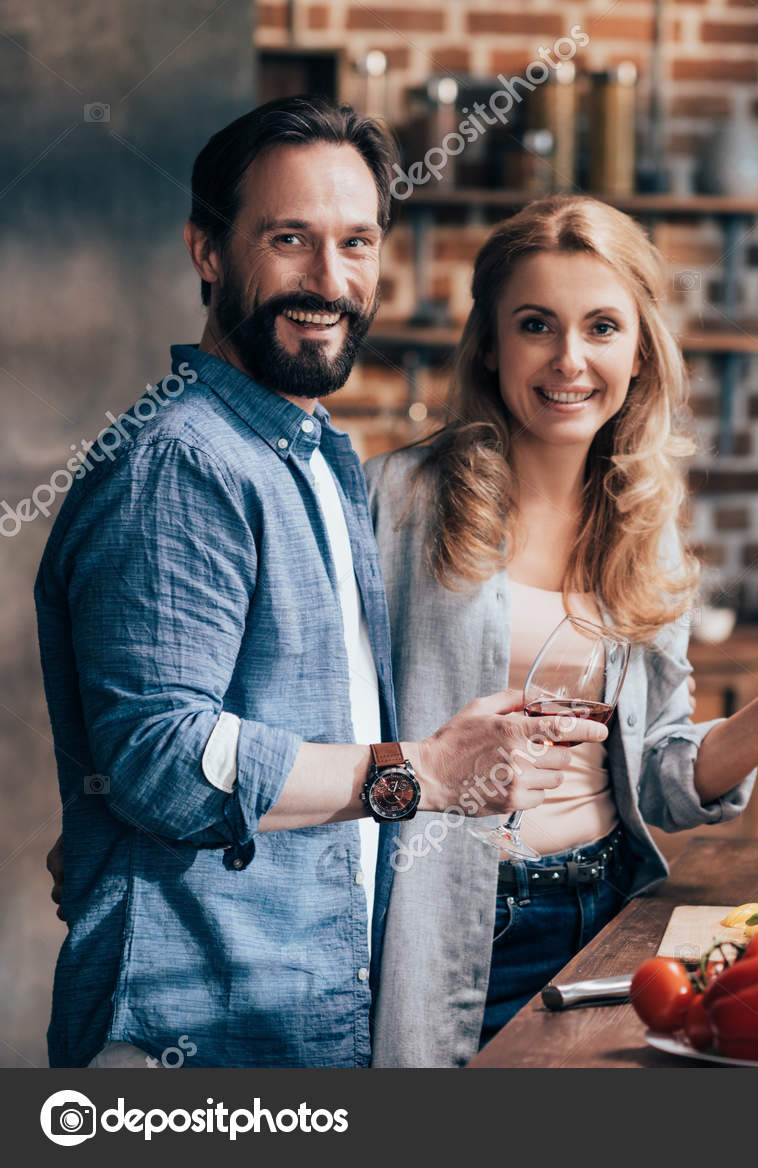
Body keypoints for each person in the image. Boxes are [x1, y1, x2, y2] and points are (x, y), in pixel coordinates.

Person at [34, 96, 596, 1068]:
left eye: (356, 243)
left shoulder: (312, 459)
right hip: (195, 1038)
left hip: (300, 1024)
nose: (328, 282)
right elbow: (164, 755)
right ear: (207, 251)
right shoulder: (184, 463)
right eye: (289, 239)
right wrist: (422, 772)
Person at [364, 195, 758, 1066]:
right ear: (490, 344)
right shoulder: (396, 503)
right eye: (537, 325)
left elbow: (665, 781)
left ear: (639, 355)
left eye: (602, 327)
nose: (570, 360)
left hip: (608, 917)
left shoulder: (646, 525)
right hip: (443, 917)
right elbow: (327, 725)